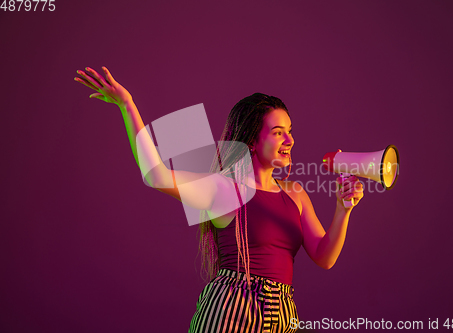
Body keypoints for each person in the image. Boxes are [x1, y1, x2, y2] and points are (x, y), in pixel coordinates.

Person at [74, 67, 364, 333]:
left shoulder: (296, 194)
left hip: (284, 313)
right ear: (252, 140)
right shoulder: (225, 189)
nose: (289, 140)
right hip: (232, 310)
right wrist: (127, 105)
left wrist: (343, 208)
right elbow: (157, 176)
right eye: (278, 133)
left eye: (289, 132)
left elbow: (325, 257)